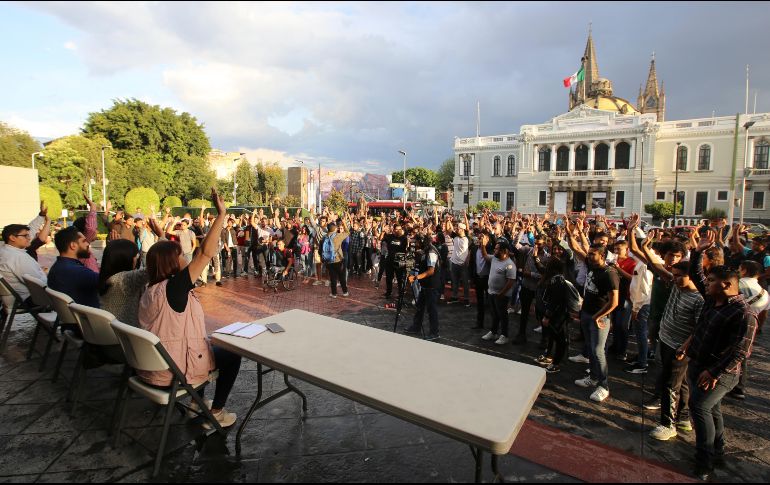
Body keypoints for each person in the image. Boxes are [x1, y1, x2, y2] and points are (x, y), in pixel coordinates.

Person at [138, 188, 241, 429]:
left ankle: (196, 403)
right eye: (181, 256)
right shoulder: (174, 289)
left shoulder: (150, 288)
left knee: (210, 345)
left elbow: (160, 256)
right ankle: (216, 411)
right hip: (174, 371)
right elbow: (205, 253)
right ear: (173, 263)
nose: (186, 257)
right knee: (232, 354)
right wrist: (221, 213)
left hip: (154, 368)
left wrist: (162, 235)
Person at [682, 230, 758, 480]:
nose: (707, 283)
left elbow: (741, 351)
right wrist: (698, 250)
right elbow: (696, 273)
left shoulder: (743, 313)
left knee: (700, 408)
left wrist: (714, 371)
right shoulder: (712, 298)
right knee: (712, 409)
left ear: (726, 284)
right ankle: (719, 447)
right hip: (698, 363)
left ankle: (704, 462)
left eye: (712, 280)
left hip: (720, 373)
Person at [646, 260, 703, 441]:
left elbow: (699, 329)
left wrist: (685, 348)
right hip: (665, 340)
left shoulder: (699, 299)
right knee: (682, 383)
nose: (675, 278)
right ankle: (683, 417)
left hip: (679, 348)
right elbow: (656, 266)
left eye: (680, 276)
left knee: (670, 385)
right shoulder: (677, 286)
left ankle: (667, 424)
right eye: (674, 275)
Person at [574, 243, 619, 403]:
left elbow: (614, 302)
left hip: (600, 318)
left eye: (593, 254)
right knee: (591, 349)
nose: (589, 256)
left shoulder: (610, 273)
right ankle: (592, 377)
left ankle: (604, 386)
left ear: (602, 255)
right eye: (589, 253)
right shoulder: (592, 267)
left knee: (598, 351)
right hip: (587, 314)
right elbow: (575, 247)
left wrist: (597, 317)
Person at [47, 226, 100, 311]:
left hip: (72, 318)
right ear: (73, 245)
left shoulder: (59, 267)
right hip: (88, 321)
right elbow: (111, 282)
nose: (87, 244)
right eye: (84, 241)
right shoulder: (77, 272)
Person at [98, 239, 148, 327]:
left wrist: (115, 248)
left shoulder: (106, 277)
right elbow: (156, 267)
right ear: (127, 258)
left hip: (109, 330)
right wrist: (162, 237)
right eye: (136, 255)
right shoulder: (125, 280)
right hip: (124, 334)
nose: (137, 258)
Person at [480, 235, 517, 346]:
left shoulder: (510, 265)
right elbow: (485, 256)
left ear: (504, 251)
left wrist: (501, 293)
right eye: (495, 248)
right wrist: (482, 245)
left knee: (502, 315)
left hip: (501, 295)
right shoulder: (495, 258)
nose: (495, 250)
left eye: (497, 249)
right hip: (492, 292)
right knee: (494, 314)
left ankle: (504, 335)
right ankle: (494, 332)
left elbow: (511, 281)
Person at [404, 234, 442, 340]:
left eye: (416, 242)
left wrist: (416, 278)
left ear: (421, 241)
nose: (415, 244)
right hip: (425, 285)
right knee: (419, 307)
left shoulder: (431, 252)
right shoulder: (425, 251)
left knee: (431, 310)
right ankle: (416, 327)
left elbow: (431, 271)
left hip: (432, 285)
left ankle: (435, 332)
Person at [0, 224, 48, 305]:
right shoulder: (18, 257)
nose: (29, 238)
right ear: (12, 238)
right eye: (25, 235)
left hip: (15, 298)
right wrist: (44, 273)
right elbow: (40, 284)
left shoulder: (4, 251)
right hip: (30, 299)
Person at [323, 213, 351, 298]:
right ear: (335, 229)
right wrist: (344, 222)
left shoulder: (324, 237)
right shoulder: (338, 236)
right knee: (341, 277)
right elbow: (347, 232)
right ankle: (345, 292)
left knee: (333, 278)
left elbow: (321, 249)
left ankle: (334, 293)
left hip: (328, 261)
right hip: (338, 260)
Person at [381, 221, 408, 300]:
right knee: (389, 277)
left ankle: (401, 293)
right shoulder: (389, 236)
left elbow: (405, 248)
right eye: (396, 229)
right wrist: (383, 232)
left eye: (400, 229)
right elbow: (381, 239)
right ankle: (388, 292)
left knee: (400, 278)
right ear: (393, 230)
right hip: (390, 259)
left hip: (400, 259)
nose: (398, 231)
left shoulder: (404, 238)